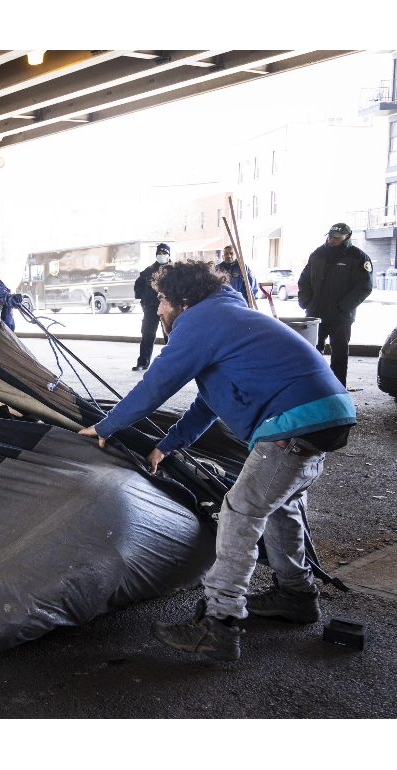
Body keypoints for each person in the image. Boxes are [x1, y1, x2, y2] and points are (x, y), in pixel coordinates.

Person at [79, 260, 356, 662]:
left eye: (161, 300)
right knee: (282, 506)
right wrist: (168, 444)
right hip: (327, 414)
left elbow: (156, 385)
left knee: (241, 511)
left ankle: (218, 626)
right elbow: (208, 402)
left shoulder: (200, 321)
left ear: (184, 300)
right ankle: (296, 596)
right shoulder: (229, 314)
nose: (157, 310)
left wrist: (106, 427)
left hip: (292, 423)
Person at [298, 222, 373, 387]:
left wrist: (343, 307)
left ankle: (338, 390)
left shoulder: (357, 257)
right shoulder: (317, 254)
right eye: (330, 236)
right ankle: (313, 388)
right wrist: (306, 302)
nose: (332, 239)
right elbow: (304, 280)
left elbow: (364, 287)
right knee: (312, 353)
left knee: (339, 357)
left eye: (336, 237)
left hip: (341, 317)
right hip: (315, 315)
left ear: (347, 237)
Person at [132, 243, 170, 371]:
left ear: (168, 255)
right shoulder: (148, 271)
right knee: (147, 334)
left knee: (170, 336)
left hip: (168, 309)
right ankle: (143, 362)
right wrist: (144, 301)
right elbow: (138, 287)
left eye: (164, 253)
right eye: (159, 253)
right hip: (151, 308)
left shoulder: (175, 270)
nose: (162, 256)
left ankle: (171, 362)